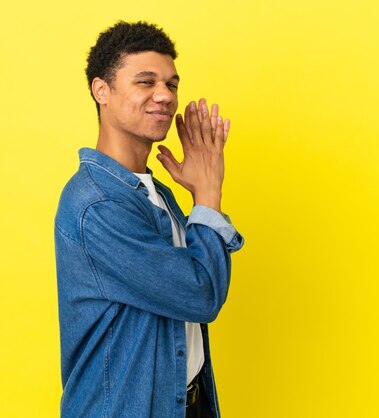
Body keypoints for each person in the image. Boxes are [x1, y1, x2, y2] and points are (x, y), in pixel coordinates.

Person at [54, 21, 244, 417]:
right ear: (100, 90)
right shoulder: (98, 205)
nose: (164, 96)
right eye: (145, 82)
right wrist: (208, 196)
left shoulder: (160, 195)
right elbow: (199, 294)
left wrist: (200, 201)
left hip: (184, 402)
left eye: (172, 84)